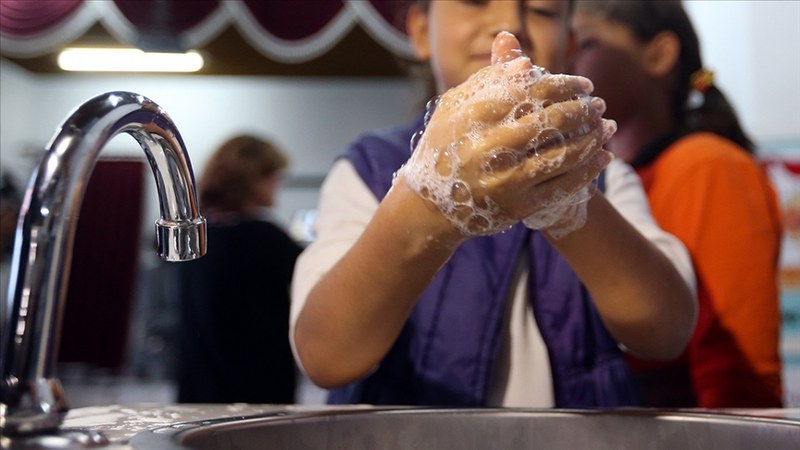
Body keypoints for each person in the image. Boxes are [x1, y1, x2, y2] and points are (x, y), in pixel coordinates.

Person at [290, 0, 697, 408]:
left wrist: (567, 199)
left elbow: (666, 330)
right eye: (474, 2)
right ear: (419, 31)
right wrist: (430, 196)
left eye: (541, 10)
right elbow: (325, 355)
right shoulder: (368, 169)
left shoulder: (605, 173)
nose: (508, 24)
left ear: (570, 44)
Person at [570, 0, 783, 407]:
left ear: (659, 54)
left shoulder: (707, 165)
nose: (568, 58)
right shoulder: (612, 177)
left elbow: (736, 374)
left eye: (585, 43)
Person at [176, 134, 302, 403]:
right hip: (256, 394)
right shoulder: (263, 237)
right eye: (274, 176)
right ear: (255, 178)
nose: (277, 184)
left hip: (197, 390)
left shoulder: (197, 234)